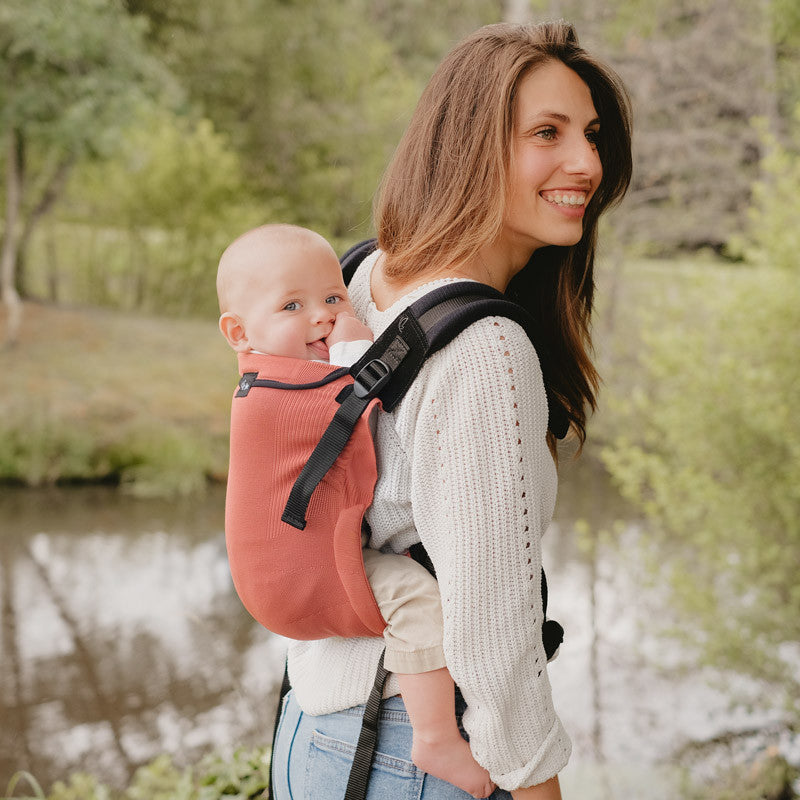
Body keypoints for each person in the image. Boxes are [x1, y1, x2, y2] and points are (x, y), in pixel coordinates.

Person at [269, 20, 633, 800]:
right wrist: (538, 788)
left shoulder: (359, 277)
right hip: (419, 752)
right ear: (469, 146)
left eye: (593, 135)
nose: (587, 164)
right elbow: (493, 637)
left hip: (311, 731)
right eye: (548, 133)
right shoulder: (486, 350)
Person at [217, 223, 496, 798]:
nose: (321, 315)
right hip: (298, 573)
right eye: (292, 305)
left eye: (333, 297)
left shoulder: (266, 379)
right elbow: (355, 395)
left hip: (285, 574)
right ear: (239, 333)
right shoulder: (278, 397)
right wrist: (356, 341)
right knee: (418, 602)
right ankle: (435, 737)